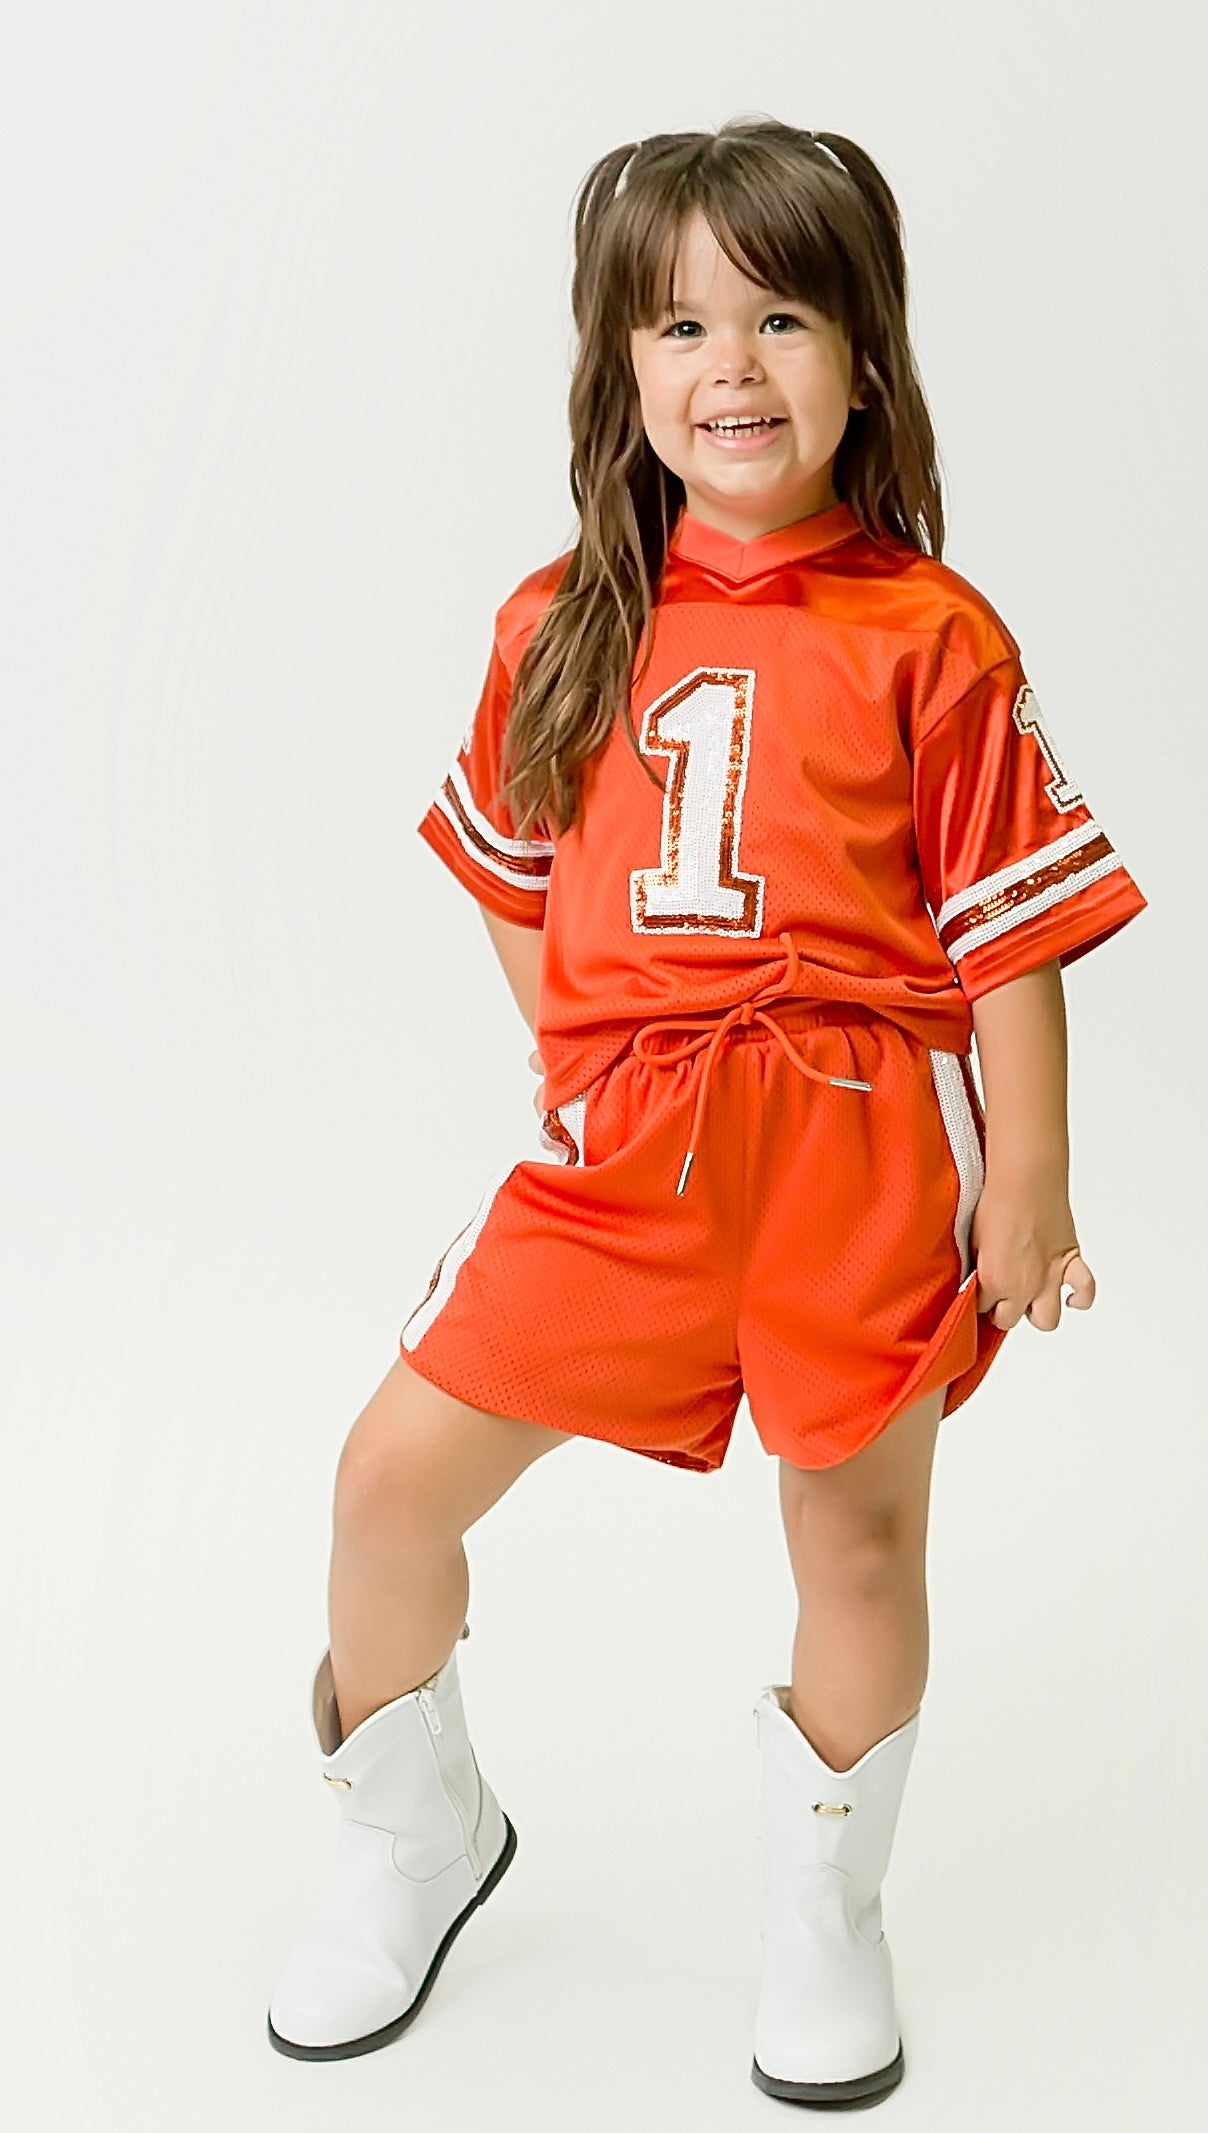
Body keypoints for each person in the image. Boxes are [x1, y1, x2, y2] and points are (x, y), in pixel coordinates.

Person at [266, 117, 1147, 2105]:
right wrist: (584, 1065)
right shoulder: (557, 619)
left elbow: (1011, 936)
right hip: (630, 1161)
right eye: (679, 324)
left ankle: (828, 1904)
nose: (731, 363)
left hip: (854, 1156)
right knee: (390, 1477)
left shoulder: (933, 632)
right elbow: (510, 877)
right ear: (620, 366)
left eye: (781, 317)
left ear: (865, 359)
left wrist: (1027, 1177)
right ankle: (412, 1832)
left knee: (857, 1538)